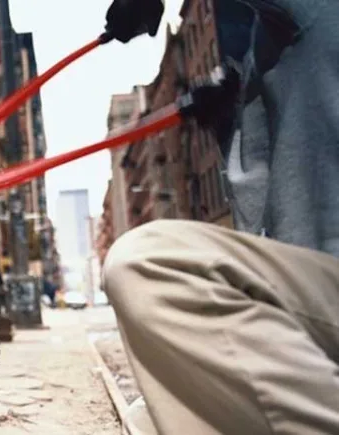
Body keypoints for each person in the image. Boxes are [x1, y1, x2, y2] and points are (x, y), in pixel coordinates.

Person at [101, 0, 339, 434]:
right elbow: (264, 206)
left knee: (147, 263)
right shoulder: (261, 57)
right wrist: (226, 119)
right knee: (151, 413)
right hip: (311, 298)